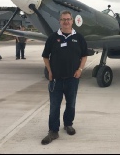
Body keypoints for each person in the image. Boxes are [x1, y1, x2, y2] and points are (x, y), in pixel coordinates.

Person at [41, 10, 88, 145]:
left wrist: (80, 69)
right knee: (54, 106)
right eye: (63, 19)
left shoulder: (79, 38)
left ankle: (68, 124)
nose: (66, 21)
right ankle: (53, 131)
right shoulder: (53, 37)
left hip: (72, 79)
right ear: (59, 22)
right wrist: (49, 71)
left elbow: (84, 55)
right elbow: (45, 56)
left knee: (71, 104)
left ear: (72, 21)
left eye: (68, 19)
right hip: (55, 79)